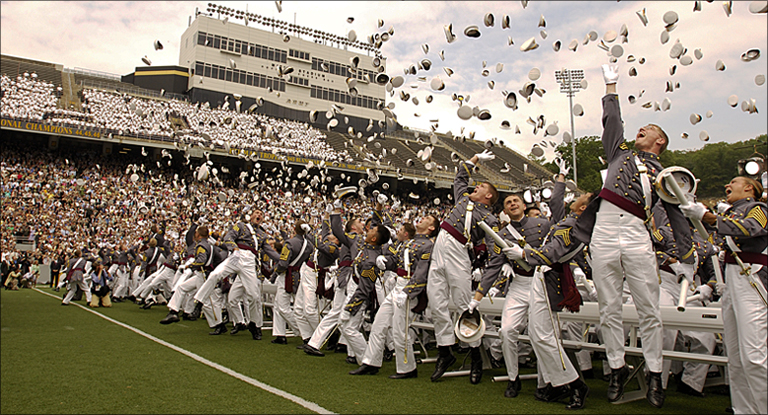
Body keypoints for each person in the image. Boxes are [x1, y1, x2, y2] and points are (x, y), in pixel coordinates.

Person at [571, 64, 696, 408]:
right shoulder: (618, 153)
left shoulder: (668, 173)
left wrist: (686, 258)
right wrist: (611, 86)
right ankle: (616, 367)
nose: (639, 131)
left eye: (648, 130)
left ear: (660, 142)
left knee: (648, 310)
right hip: (605, 231)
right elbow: (612, 123)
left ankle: (656, 373)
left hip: (637, 233)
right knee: (608, 308)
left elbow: (678, 216)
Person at [471, 166, 566, 398]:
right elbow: (493, 266)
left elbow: (559, 225)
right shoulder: (501, 235)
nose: (512, 204)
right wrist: (477, 297)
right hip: (519, 285)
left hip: (540, 282)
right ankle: (513, 378)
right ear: (504, 211)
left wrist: (561, 181)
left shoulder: (543, 224)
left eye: (515, 201)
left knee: (541, 335)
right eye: (508, 203)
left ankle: (546, 382)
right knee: (507, 330)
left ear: (524, 205)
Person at [500, 186, 595, 409]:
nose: (578, 194)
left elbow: (551, 253)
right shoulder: (574, 221)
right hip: (544, 278)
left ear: (583, 207)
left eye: (581, 195)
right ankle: (559, 383)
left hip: (548, 278)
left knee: (543, 336)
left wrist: (523, 253)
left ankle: (574, 385)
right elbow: (555, 204)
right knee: (538, 335)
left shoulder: (572, 224)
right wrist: (559, 181)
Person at [680, 176, 767, 414]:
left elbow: (751, 229)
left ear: (749, 188)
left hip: (752, 278)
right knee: (736, 357)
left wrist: (708, 217)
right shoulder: (730, 213)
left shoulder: (759, 208)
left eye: (734, 182)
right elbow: (713, 245)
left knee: (754, 355)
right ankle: (744, 409)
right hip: (731, 281)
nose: (727, 186)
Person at [427, 149, 499, 384]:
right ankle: (444, 350)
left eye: (480, 188)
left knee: (462, 304)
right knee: (436, 300)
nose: (474, 188)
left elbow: (493, 245)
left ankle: (476, 353)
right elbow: (460, 177)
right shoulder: (463, 199)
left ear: (488, 196)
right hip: (440, 244)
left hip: (459, 250)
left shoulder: (490, 217)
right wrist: (475, 158)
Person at [330, 200, 391, 369]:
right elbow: (377, 225)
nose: (368, 228)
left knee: (348, 328)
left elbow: (364, 290)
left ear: (373, 238)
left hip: (360, 297)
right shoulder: (368, 246)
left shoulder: (371, 259)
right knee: (348, 328)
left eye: (371, 229)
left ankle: (368, 359)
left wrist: (349, 308)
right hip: (356, 291)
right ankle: (366, 359)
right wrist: (378, 207)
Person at [272, 220, 312, 345]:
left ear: (295, 229)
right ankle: (280, 334)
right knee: (278, 305)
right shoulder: (309, 245)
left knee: (283, 306)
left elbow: (283, 263)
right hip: (299, 274)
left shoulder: (290, 243)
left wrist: (275, 273)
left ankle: (303, 331)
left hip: (287, 276)